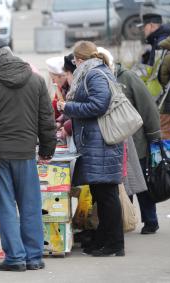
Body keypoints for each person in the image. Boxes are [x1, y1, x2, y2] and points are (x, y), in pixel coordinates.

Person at [0, 39, 57, 271]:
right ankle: (34, 257)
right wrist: (47, 149)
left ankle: (15, 257)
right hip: (26, 152)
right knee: (31, 205)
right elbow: (47, 119)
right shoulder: (36, 80)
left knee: (5, 205)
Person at [57, 41, 124, 257]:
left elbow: (99, 105)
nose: (74, 65)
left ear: (80, 59)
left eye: (75, 60)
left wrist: (69, 107)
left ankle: (115, 244)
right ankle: (103, 239)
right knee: (100, 193)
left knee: (107, 195)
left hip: (101, 142)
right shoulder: (93, 72)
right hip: (96, 142)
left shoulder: (94, 74)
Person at [98, 46, 162, 235]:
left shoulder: (127, 78)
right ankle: (128, 220)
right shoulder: (100, 80)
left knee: (142, 183)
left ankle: (151, 220)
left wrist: (154, 135)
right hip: (116, 142)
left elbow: (147, 107)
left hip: (137, 141)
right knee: (125, 185)